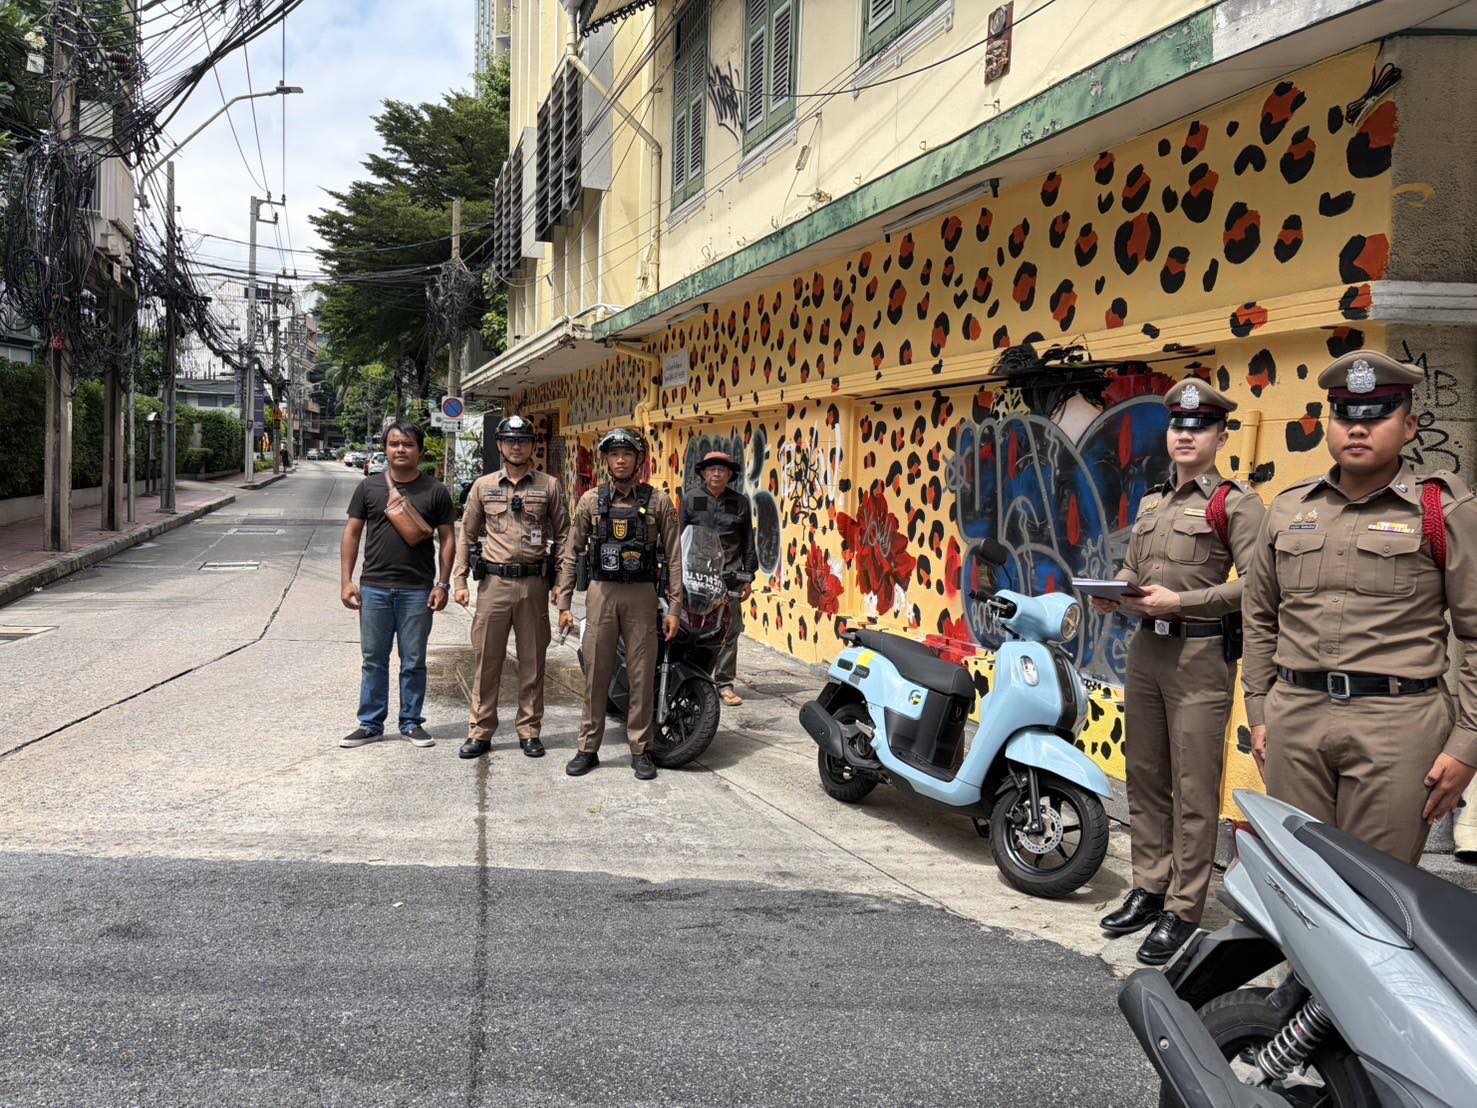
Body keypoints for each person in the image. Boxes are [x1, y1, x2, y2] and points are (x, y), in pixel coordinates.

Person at [1243, 350, 1477, 864]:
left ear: (1410, 426)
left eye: (1377, 415)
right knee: (1298, 877)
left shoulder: (1441, 510)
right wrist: (1259, 710)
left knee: (1376, 886)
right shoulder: (1289, 508)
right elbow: (1259, 616)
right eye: (1344, 415)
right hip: (1294, 719)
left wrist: (1467, 744)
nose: (1357, 428)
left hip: (1397, 724)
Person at [1094, 379, 1266, 966]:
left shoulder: (1235, 505)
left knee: (1194, 786)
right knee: (1145, 776)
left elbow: (1257, 586)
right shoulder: (1151, 503)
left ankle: (1183, 908)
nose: (1186, 435)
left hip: (1199, 656)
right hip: (1147, 652)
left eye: (1199, 426)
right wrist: (1114, 592)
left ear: (1221, 436)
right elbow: (1133, 568)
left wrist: (1183, 603)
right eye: (1178, 425)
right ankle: (1148, 887)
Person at [554, 428, 681, 780]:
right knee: (596, 672)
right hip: (601, 594)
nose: (620, 460)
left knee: (642, 674)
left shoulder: (659, 502)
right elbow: (571, 553)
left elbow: (674, 558)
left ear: (639, 460)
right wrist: (564, 603)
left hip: (642, 596)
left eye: (627, 454)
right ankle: (588, 747)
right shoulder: (590, 501)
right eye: (614, 454)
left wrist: (674, 608)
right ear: (606, 460)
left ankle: (641, 749)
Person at [452, 415, 570, 760]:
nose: (516, 447)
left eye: (523, 441)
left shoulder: (550, 486)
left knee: (533, 660)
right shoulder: (483, 486)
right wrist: (459, 580)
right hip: (494, 585)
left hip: (533, 584)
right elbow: (467, 535)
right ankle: (480, 731)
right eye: (510, 441)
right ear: (500, 445)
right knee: (486, 659)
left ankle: (529, 731)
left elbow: (565, 537)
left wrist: (562, 587)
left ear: (532, 446)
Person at [339, 421, 457, 748]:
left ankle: (411, 722)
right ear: (385, 449)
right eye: (394, 444)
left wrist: (443, 584)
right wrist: (346, 580)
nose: (400, 449)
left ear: (421, 451)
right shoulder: (369, 488)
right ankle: (370, 724)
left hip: (418, 590)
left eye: (407, 444)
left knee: (414, 660)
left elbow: (448, 539)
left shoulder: (436, 491)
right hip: (374, 587)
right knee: (373, 660)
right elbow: (352, 533)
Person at [680, 452, 757, 706]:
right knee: (692, 627)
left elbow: (748, 541)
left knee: (729, 629)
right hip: (695, 575)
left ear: (730, 475)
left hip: (729, 576)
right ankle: (691, 679)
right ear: (704, 473)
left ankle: (724, 683)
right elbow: (679, 537)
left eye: (722, 470)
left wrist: (748, 578)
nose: (716, 473)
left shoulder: (740, 502)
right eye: (711, 469)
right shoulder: (691, 498)